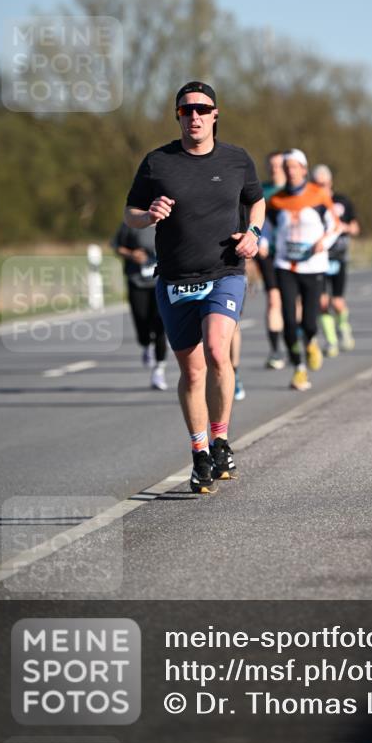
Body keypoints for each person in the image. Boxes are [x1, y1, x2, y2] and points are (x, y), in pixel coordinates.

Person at [123, 81, 264, 494]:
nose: (195, 116)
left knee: (218, 350)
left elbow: (256, 200)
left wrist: (253, 232)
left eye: (203, 109)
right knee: (192, 369)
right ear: (178, 117)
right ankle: (200, 452)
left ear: (216, 114)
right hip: (176, 279)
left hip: (225, 271)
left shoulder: (237, 159)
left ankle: (221, 441)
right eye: (187, 111)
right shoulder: (157, 163)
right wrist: (147, 215)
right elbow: (129, 214)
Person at [262, 149, 340, 391]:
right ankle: (299, 369)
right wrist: (262, 244)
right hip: (285, 265)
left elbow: (335, 226)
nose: (290, 172)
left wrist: (323, 243)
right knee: (287, 318)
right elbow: (266, 228)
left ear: (304, 170)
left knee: (308, 322)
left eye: (294, 167)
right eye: (287, 168)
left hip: (313, 266)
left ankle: (311, 341)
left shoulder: (318, 196)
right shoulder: (275, 200)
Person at [111, 221, 168, 390]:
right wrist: (131, 254)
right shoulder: (132, 223)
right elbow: (116, 246)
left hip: (162, 282)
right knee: (141, 322)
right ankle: (145, 344)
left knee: (160, 326)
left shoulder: (170, 221)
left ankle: (159, 369)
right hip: (137, 281)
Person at [311, 164, 360, 355]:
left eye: (324, 183)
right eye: (317, 183)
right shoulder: (310, 203)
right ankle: (331, 341)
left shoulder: (342, 201)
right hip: (318, 258)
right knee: (322, 302)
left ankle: (344, 328)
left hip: (339, 256)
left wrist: (342, 228)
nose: (321, 187)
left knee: (337, 302)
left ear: (330, 182)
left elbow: (355, 228)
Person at [256, 151, 287, 369]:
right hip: (266, 252)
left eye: (279, 165)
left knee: (294, 301)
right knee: (274, 300)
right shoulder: (261, 191)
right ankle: (276, 350)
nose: (275, 169)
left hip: (292, 253)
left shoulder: (294, 191)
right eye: (272, 165)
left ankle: (298, 339)